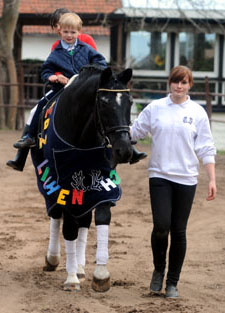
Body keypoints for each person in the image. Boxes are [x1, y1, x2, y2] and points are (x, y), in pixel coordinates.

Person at [130, 65, 217, 298]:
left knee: (179, 231)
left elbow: (206, 147)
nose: (179, 86)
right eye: (176, 81)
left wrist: (211, 179)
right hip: (159, 175)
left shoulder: (197, 113)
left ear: (190, 85)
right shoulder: (155, 108)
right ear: (170, 83)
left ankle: (172, 282)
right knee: (161, 226)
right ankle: (158, 271)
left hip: (186, 178)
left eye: (184, 82)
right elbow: (135, 131)